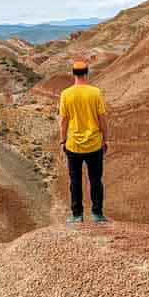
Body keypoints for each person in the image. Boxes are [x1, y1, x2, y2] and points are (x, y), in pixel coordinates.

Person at [58, 59, 109, 224]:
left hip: (73, 145)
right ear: (87, 73)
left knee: (75, 180)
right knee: (95, 179)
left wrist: (62, 140)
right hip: (94, 144)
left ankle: (77, 215)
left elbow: (63, 120)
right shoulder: (95, 92)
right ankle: (98, 214)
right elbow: (102, 118)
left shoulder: (66, 94)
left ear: (73, 74)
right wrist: (105, 139)